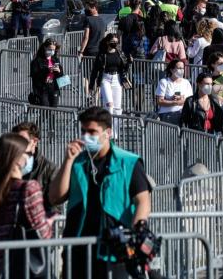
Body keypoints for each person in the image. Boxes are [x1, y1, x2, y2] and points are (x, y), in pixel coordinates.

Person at [48, 107, 151, 278]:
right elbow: (55, 197)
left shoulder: (129, 161)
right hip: (78, 247)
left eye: (92, 132)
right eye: (83, 131)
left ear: (107, 133)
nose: (86, 136)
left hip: (114, 250)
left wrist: (137, 230)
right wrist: (67, 161)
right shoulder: (77, 162)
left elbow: (143, 200)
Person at [0, 133, 53, 278]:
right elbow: (43, 234)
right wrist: (49, 222)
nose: (31, 157)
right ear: (18, 157)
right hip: (21, 267)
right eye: (28, 153)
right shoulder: (29, 188)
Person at [12, 121, 57, 211]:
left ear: (35, 142)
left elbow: (54, 204)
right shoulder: (10, 166)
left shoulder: (48, 168)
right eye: (16, 141)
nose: (19, 145)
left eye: (23, 141)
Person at [89, 33, 133, 124]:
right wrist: (91, 85)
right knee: (109, 104)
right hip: (105, 79)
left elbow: (124, 68)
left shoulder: (120, 53)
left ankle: (115, 133)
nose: (115, 44)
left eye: (116, 42)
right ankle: (107, 129)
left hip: (117, 79)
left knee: (117, 108)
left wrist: (129, 62)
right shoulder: (102, 54)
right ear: (107, 42)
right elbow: (95, 70)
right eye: (113, 42)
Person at [154, 58, 193, 124]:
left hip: (183, 114)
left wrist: (182, 99)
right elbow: (160, 101)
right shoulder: (164, 82)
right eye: (179, 68)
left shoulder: (186, 82)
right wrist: (175, 102)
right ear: (171, 70)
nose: (181, 70)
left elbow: (190, 100)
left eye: (182, 68)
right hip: (167, 114)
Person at [29, 38, 64, 107]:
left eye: (53, 50)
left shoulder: (55, 59)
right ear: (45, 47)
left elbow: (61, 74)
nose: (52, 51)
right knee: (45, 109)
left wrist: (59, 71)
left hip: (54, 87)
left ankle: (52, 118)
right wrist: (47, 70)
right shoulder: (37, 61)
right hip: (42, 89)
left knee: (53, 109)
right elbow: (34, 75)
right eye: (50, 49)